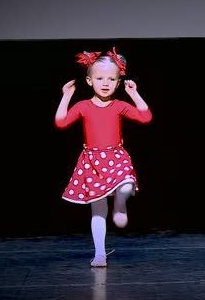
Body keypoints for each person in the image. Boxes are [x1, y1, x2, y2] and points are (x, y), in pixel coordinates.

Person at [55, 47, 153, 267]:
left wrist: (134, 94)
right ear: (89, 81)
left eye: (111, 79)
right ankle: (99, 253)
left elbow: (146, 117)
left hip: (116, 156)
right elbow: (60, 123)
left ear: (118, 83)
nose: (105, 83)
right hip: (92, 161)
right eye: (100, 78)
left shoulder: (118, 106)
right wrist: (66, 96)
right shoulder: (83, 106)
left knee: (127, 184)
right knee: (98, 209)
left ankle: (120, 203)